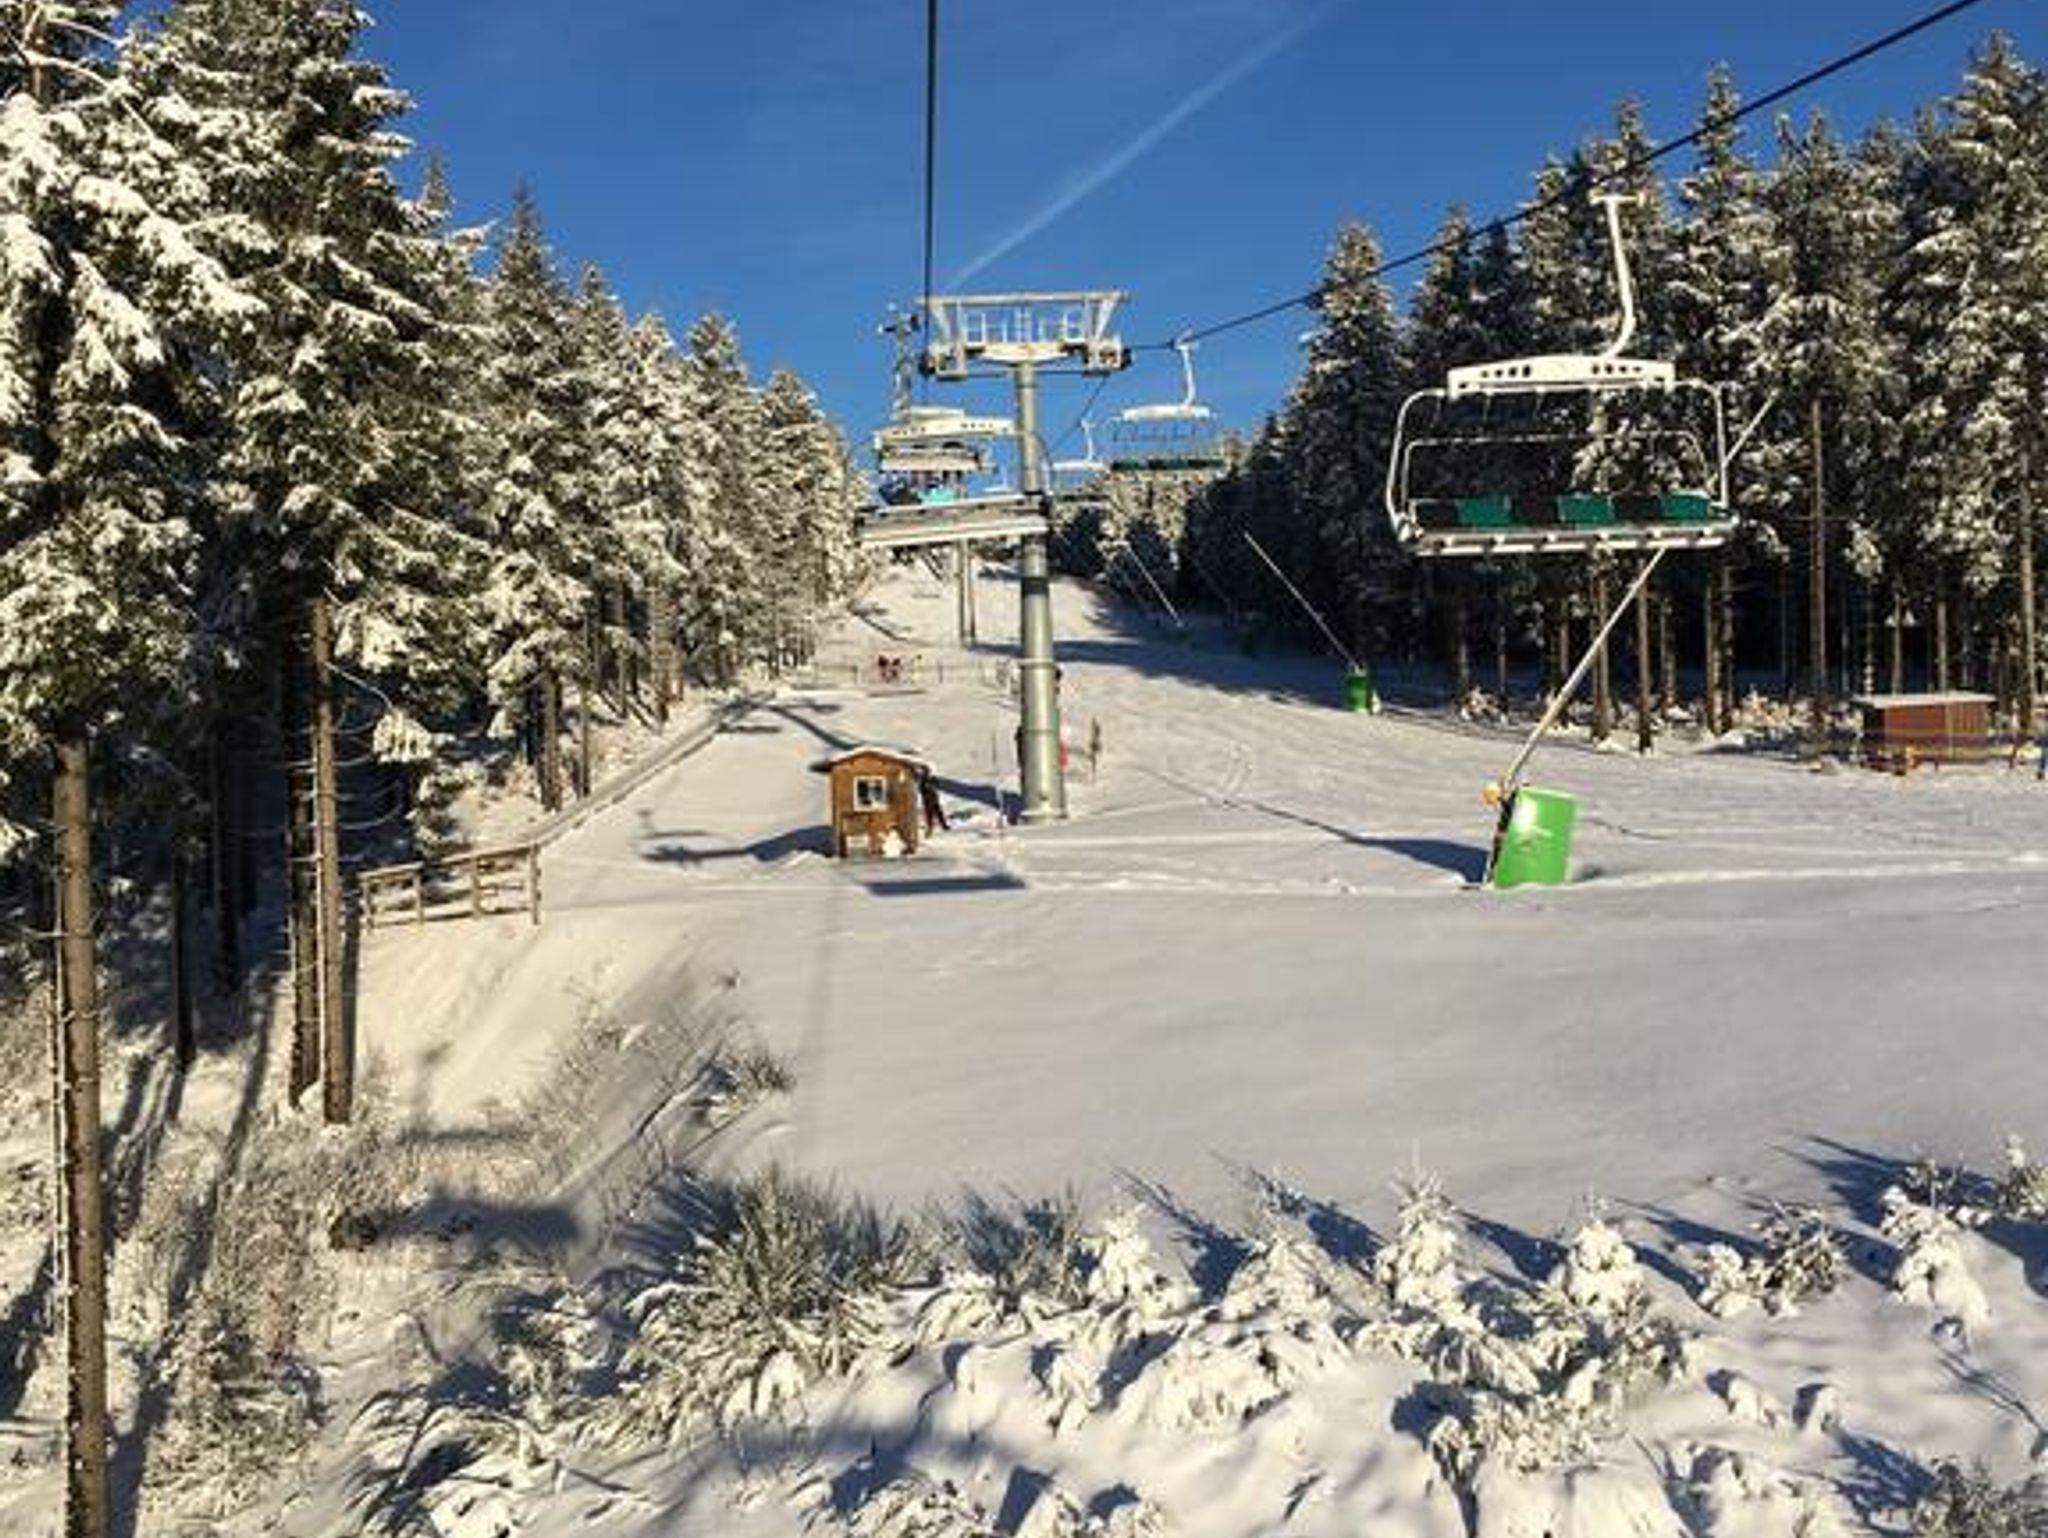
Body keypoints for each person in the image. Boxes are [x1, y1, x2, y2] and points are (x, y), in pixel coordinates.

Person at [918, 768, 948, 833]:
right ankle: (930, 827)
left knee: (938, 812)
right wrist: (926, 787)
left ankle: (943, 825)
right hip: (927, 799)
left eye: (926, 772)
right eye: (924, 772)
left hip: (933, 798)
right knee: (929, 814)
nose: (926, 774)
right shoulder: (922, 781)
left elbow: (937, 784)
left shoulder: (932, 779)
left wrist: (931, 785)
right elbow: (920, 790)